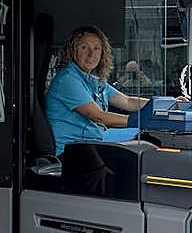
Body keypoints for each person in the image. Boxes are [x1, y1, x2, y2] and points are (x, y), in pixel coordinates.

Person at [45, 26, 149, 156]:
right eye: (84, 48)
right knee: (142, 150)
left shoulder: (92, 80)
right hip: (70, 153)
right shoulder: (67, 79)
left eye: (96, 48)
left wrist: (166, 105)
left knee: (146, 140)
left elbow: (128, 102)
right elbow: (98, 117)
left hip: (90, 144)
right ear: (73, 51)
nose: (91, 54)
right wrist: (142, 121)